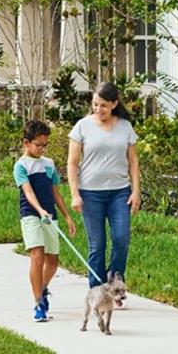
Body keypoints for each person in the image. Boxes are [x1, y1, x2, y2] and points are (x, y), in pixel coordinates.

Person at [69, 82, 140, 305]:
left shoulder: (125, 127)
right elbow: (72, 163)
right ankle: (97, 290)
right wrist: (75, 193)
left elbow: (133, 162)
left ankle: (116, 285)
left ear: (114, 104)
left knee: (121, 239)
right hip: (90, 194)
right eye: (95, 105)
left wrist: (136, 191)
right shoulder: (82, 127)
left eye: (103, 106)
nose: (98, 110)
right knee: (97, 245)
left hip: (120, 193)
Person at [15, 119, 74, 322]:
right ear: (26, 143)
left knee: (53, 261)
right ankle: (39, 303)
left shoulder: (49, 164)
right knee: (37, 255)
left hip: (50, 215)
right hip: (31, 215)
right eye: (38, 144)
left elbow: (55, 192)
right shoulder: (21, 166)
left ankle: (43, 287)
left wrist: (66, 216)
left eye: (44, 145)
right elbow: (28, 191)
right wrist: (39, 210)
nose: (41, 149)